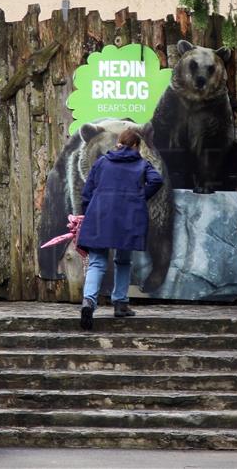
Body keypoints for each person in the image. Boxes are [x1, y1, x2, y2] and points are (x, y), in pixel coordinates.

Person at [76, 129, 164, 330]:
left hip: (100, 216)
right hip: (128, 217)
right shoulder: (141, 163)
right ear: (135, 146)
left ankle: (89, 302)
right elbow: (157, 180)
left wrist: (86, 212)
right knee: (123, 261)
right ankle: (121, 303)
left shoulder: (102, 162)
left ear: (118, 143)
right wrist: (140, 196)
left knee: (96, 263)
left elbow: (88, 190)